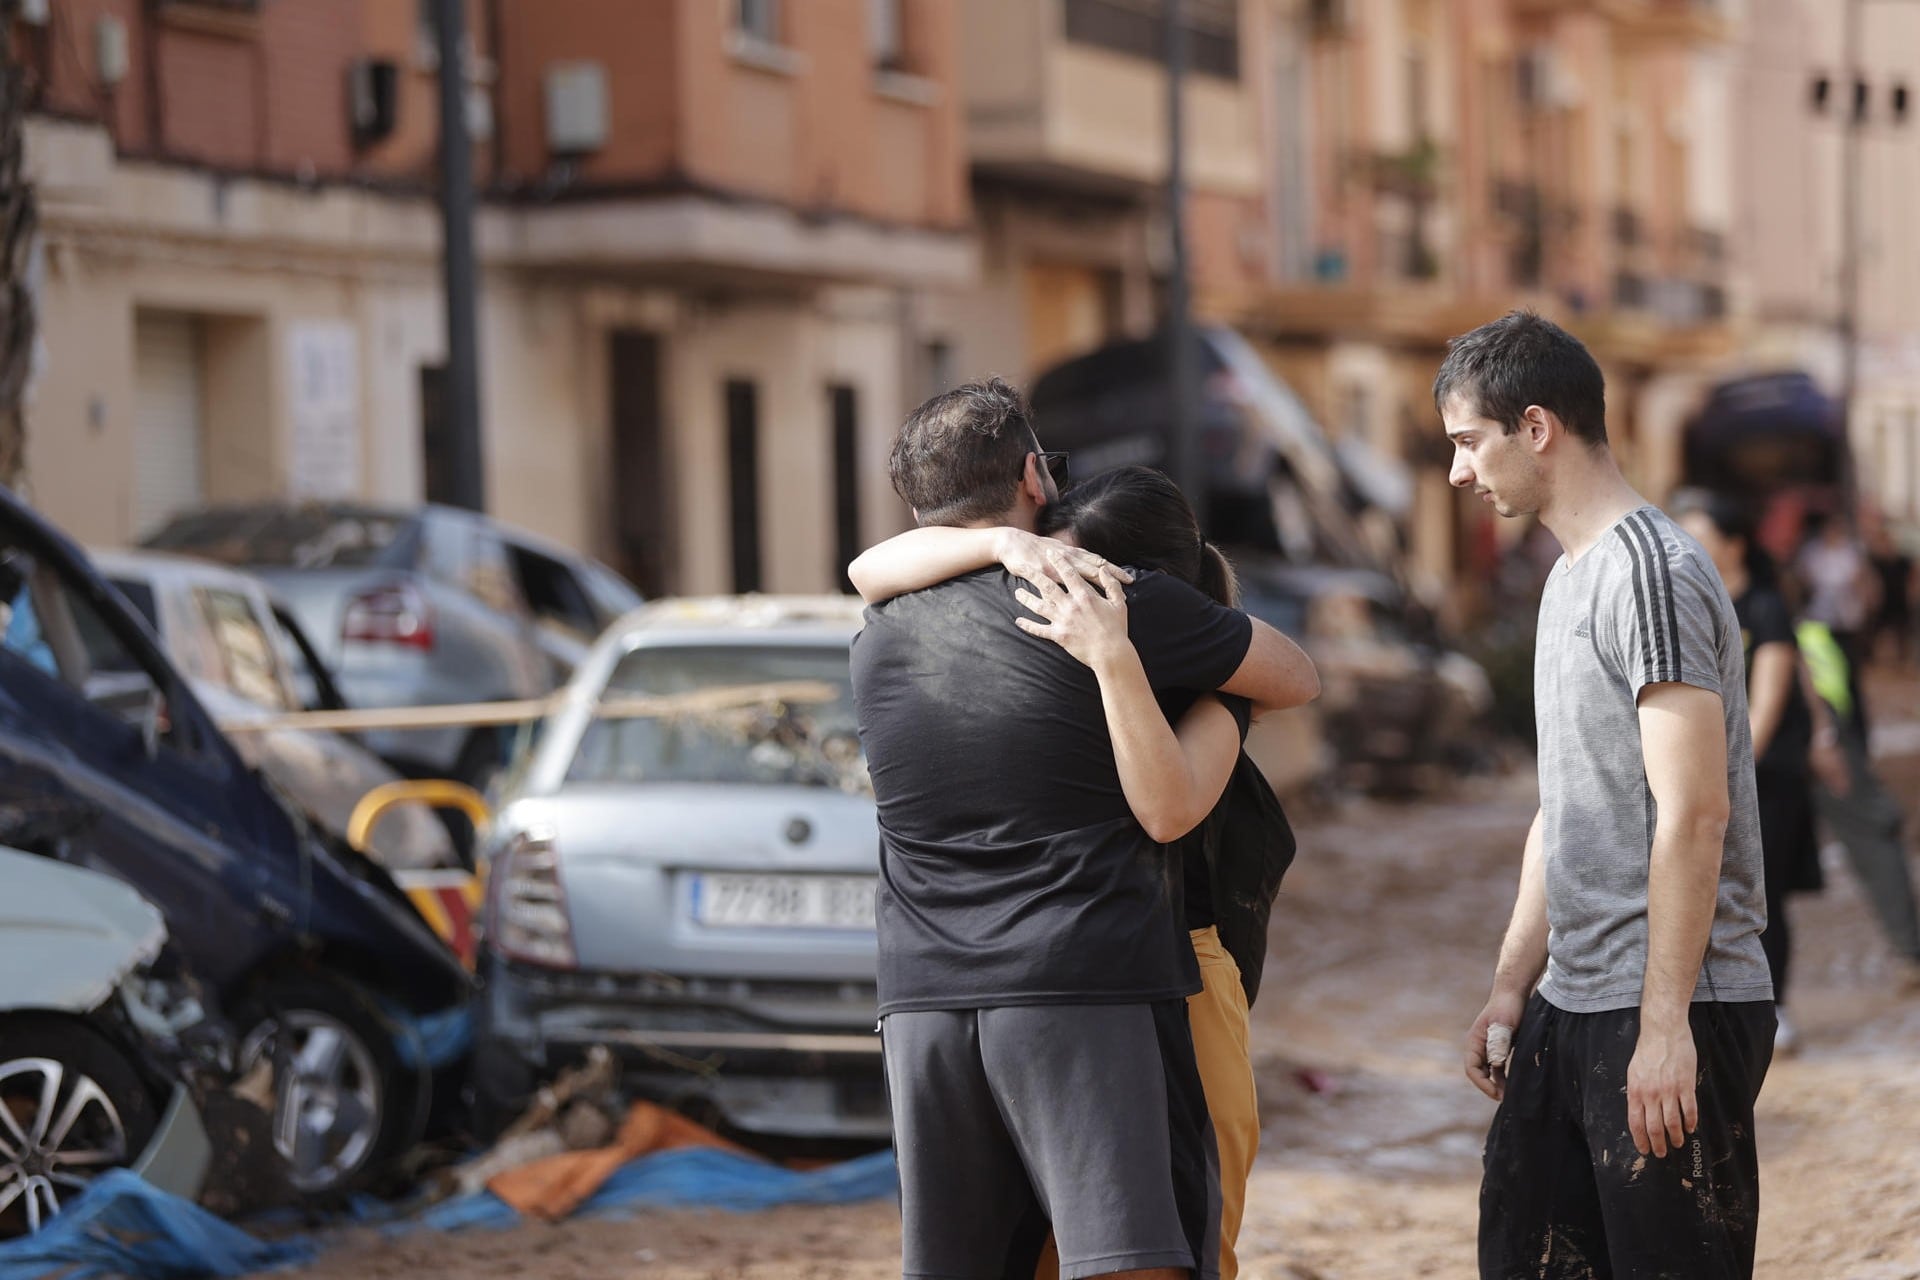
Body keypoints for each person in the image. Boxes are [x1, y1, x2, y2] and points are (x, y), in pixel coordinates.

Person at [849, 380, 1318, 1280]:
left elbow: (868, 568)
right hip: (1081, 981)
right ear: (1034, 475)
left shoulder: (878, 632)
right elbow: (1293, 676)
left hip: (921, 1000)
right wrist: (1220, 696)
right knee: (1135, 1257)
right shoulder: (1112, 596)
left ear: (917, 511)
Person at [1442, 312, 1776, 1280]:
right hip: (1576, 1001)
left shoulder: (1653, 572)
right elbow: (1566, 804)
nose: (1461, 472)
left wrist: (1666, 1023)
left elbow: (1696, 810)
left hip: (1671, 1004)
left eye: (1470, 442)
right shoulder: (1568, 578)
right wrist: (1512, 983)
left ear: (1536, 426)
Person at [1673, 490, 1844, 1052]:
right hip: (1707, 773)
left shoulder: (1765, 607)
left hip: (1764, 776)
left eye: (1699, 534)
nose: (1687, 545)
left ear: (1733, 544)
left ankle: (1776, 1005)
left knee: (1760, 892)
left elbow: (1765, 704)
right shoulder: (1690, 604)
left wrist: (1725, 778)